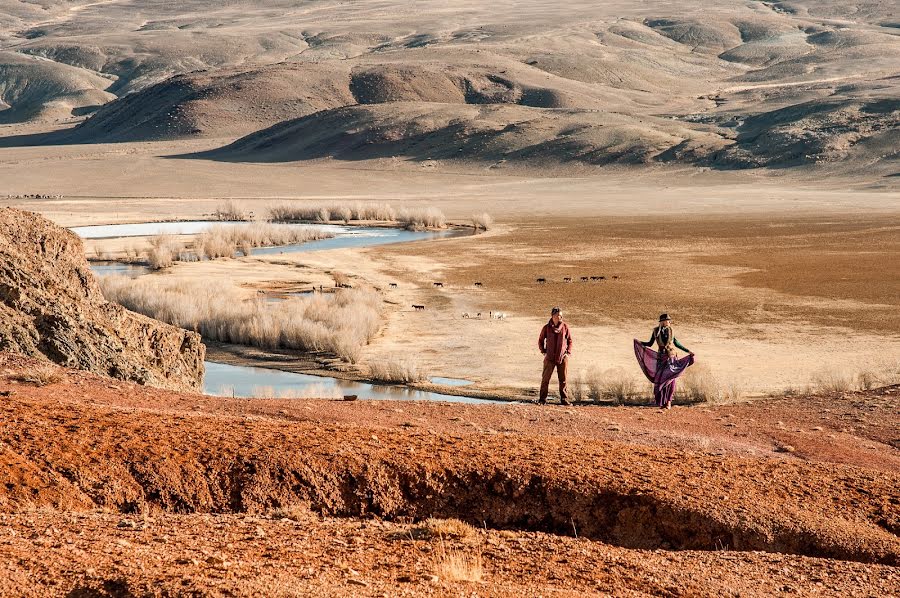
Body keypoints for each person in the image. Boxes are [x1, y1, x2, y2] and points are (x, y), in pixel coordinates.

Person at [634, 313, 695, 409]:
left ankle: (669, 402)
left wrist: (688, 351)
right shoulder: (655, 331)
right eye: (667, 320)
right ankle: (662, 402)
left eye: (668, 320)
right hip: (661, 358)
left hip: (671, 357)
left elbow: (676, 343)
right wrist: (639, 343)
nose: (668, 322)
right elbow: (650, 343)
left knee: (671, 379)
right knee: (661, 379)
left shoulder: (671, 330)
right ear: (662, 322)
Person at [538, 306, 574, 405]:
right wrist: (543, 351)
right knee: (545, 379)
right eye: (558, 316)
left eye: (561, 316)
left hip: (562, 358)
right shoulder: (546, 328)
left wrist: (567, 353)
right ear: (553, 316)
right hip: (549, 358)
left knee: (563, 380)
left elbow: (570, 340)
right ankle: (542, 400)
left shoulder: (565, 327)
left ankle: (564, 399)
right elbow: (540, 340)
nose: (560, 318)